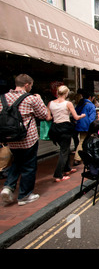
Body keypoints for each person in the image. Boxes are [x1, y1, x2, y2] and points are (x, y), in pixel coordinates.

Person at [0, 74, 48, 206]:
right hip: (28, 138)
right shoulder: (31, 99)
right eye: (31, 85)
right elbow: (44, 115)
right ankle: (25, 195)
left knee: (17, 162)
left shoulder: (2, 98)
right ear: (27, 84)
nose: (31, 88)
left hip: (11, 139)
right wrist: (40, 100)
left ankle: (8, 187)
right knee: (29, 166)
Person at [47, 85, 85, 182]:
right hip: (65, 127)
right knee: (64, 151)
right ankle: (58, 175)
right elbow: (76, 117)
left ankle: (67, 169)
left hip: (55, 128)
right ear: (66, 93)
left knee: (65, 149)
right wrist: (82, 116)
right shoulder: (68, 104)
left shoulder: (50, 103)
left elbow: (48, 118)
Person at [73, 89, 97, 166]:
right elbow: (91, 118)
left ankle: (82, 156)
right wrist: (92, 127)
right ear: (90, 97)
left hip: (79, 125)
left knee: (82, 140)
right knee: (82, 141)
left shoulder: (80, 103)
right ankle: (77, 158)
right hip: (86, 126)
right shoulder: (91, 105)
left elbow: (75, 113)